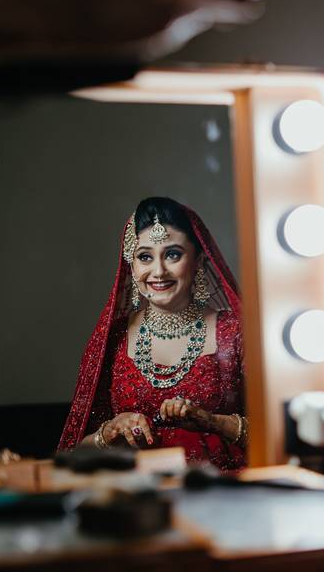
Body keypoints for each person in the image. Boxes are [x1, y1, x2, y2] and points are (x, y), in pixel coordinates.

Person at [59, 197, 246, 471]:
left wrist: (211, 421)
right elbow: (77, 451)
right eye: (145, 256)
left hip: (220, 496)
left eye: (173, 254)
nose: (158, 271)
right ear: (131, 265)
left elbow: (274, 432)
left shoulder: (234, 332)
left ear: (198, 261)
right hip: (136, 499)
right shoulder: (114, 338)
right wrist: (108, 433)